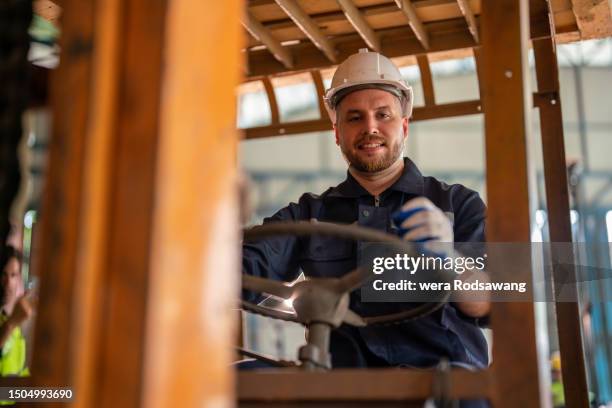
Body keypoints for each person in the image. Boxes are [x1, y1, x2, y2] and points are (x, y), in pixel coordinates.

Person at [242, 49, 490, 377]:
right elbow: (241, 272)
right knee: (240, 380)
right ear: (336, 132)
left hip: (441, 385)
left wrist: (448, 258)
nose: (369, 128)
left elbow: (487, 303)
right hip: (340, 388)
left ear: (404, 126)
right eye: (355, 117)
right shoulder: (309, 216)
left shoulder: (457, 205)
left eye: (383, 115)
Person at [0, 245, 32, 378]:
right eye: (3, 274)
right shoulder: (12, 322)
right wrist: (11, 323)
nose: (8, 283)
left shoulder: (13, 324)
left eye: (13, 275)